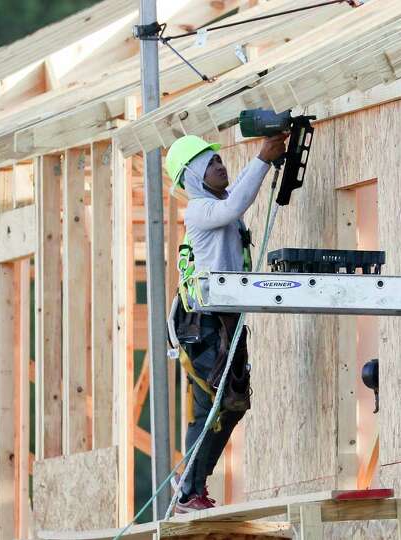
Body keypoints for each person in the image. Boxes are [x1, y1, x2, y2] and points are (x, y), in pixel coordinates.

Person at [164, 132, 288, 514]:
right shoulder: (200, 209)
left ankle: (192, 484)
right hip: (202, 326)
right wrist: (263, 159)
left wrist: (268, 157)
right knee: (212, 405)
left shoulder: (217, 203)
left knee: (232, 405)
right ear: (194, 176)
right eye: (211, 164)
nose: (221, 166)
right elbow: (235, 203)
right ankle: (187, 491)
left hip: (224, 321)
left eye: (219, 160)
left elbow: (235, 196)